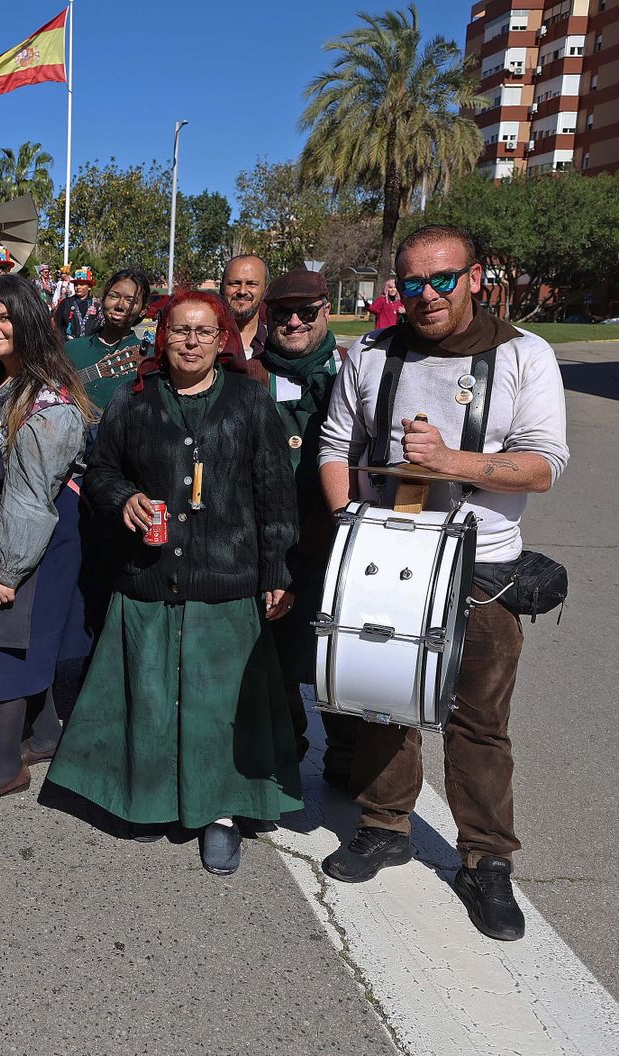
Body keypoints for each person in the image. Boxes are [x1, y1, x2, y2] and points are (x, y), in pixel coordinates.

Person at [318, 225, 569, 942]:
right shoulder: (369, 353)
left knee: (480, 719)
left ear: (476, 277)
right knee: (382, 699)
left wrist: (454, 460)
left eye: (443, 280)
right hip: (389, 552)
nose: (427, 296)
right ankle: (384, 824)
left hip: (483, 563)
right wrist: (347, 524)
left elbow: (545, 465)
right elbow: (338, 444)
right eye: (412, 284)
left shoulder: (524, 354)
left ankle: (486, 860)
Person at [46, 289, 302, 875]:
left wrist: (277, 569)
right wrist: (124, 499)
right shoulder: (135, 398)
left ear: (222, 339)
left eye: (203, 332)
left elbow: (274, 490)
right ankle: (151, 798)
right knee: (152, 696)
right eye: (180, 331)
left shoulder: (248, 399)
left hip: (226, 576)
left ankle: (220, 814)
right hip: (151, 576)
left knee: (217, 707)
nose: (191, 342)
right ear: (163, 336)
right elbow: (102, 469)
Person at [0, 276, 93, 802]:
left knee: (1, 640)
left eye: (4, 318)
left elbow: (31, 497)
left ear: (29, 321)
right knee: (31, 639)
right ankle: (46, 734)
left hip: (25, 537)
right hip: (4, 529)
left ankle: (7, 767)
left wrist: (5, 573)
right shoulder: (4, 387)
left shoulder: (44, 404)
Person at [252, 268, 360, 787]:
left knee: (338, 653)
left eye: (306, 313)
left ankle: (344, 756)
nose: (293, 322)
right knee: (275, 653)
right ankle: (288, 744)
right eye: (281, 314)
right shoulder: (249, 375)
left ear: (325, 311)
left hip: (335, 538)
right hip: (271, 539)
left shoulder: (353, 373)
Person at [65, 268, 151, 409]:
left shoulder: (149, 358)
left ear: (143, 310)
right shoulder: (71, 349)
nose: (119, 306)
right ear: (103, 300)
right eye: (114, 296)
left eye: (131, 301)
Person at [221, 254, 270, 360]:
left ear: (265, 290)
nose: (242, 291)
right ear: (222, 288)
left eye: (252, 284)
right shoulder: (205, 341)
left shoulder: (276, 344)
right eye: (234, 283)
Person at [54, 267, 101, 339]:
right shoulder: (66, 303)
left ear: (89, 287)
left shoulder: (97, 305)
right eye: (76, 284)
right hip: (69, 345)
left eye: (82, 284)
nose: (78, 287)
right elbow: (57, 324)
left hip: (91, 346)